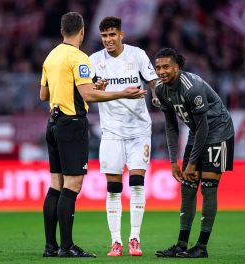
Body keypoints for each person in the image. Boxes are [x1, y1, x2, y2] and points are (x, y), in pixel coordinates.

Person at [39, 12, 146, 258]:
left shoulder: (51, 56)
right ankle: (67, 247)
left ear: (61, 31)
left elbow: (44, 95)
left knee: (56, 184)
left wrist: (87, 89)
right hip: (71, 124)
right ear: (83, 31)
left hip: (52, 123)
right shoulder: (80, 58)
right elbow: (87, 96)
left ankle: (50, 246)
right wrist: (123, 94)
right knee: (72, 185)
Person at [153, 48, 234, 258]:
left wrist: (191, 163)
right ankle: (181, 244)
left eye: (166, 67)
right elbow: (171, 126)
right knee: (188, 188)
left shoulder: (192, 87)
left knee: (208, 187)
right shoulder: (161, 89)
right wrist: (173, 161)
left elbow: (205, 127)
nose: (161, 71)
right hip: (197, 133)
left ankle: (201, 246)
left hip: (218, 132)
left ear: (177, 67)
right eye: (158, 67)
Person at [89, 16, 158, 257]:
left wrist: (157, 95)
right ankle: (116, 241)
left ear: (121, 35)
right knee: (113, 188)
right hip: (111, 132)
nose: (108, 40)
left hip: (139, 130)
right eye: (104, 36)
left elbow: (153, 81)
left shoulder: (137, 55)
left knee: (137, 183)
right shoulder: (94, 61)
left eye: (112, 35)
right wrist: (97, 89)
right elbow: (88, 93)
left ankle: (135, 239)